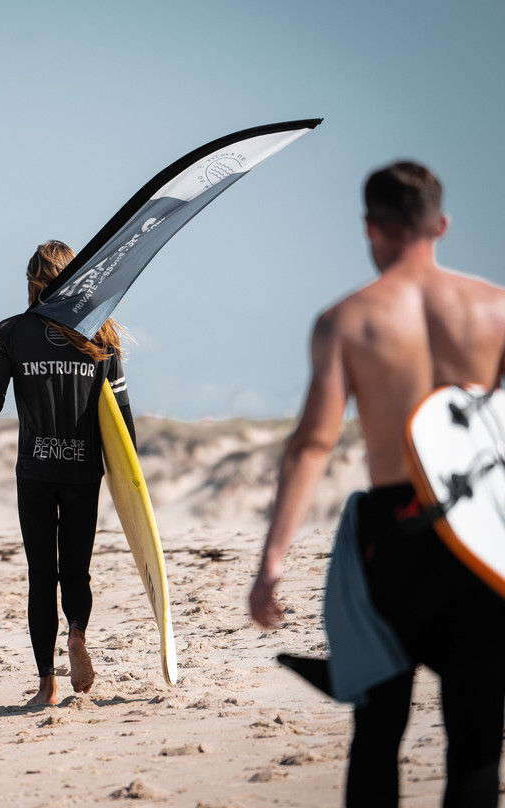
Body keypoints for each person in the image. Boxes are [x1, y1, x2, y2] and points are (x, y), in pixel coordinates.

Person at [248, 161, 505, 806]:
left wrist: (271, 562)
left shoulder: (348, 321)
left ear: (371, 228)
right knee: (476, 738)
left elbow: (312, 444)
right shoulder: (496, 309)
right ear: (441, 224)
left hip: (392, 538)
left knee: (379, 730)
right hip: (480, 536)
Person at [0, 240, 136, 706]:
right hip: (85, 472)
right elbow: (122, 417)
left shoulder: (12, 332)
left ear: (31, 281)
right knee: (76, 571)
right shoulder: (102, 335)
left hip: (36, 471)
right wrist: (130, 481)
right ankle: (78, 633)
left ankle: (46, 686)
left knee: (41, 576)